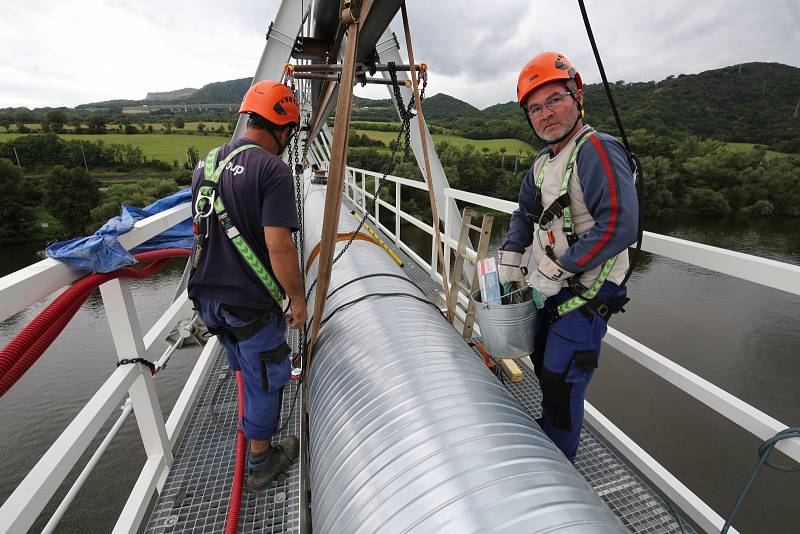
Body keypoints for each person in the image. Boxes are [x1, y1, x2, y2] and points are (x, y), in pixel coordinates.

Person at [498, 52, 639, 462]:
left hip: (588, 292)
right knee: (544, 362)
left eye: (554, 100)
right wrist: (511, 254)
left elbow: (619, 226)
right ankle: (551, 433)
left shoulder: (596, 150)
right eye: (535, 108)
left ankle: (559, 460)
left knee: (563, 380)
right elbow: (525, 212)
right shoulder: (543, 163)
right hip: (554, 288)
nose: (545, 114)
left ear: (577, 96)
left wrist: (559, 265)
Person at [188, 80, 307, 490]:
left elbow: (199, 230)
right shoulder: (273, 170)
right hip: (248, 304)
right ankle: (260, 463)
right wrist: (297, 299)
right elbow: (279, 246)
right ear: (282, 127)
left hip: (207, 297)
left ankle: (250, 424)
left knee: (243, 365)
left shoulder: (206, 163)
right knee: (265, 379)